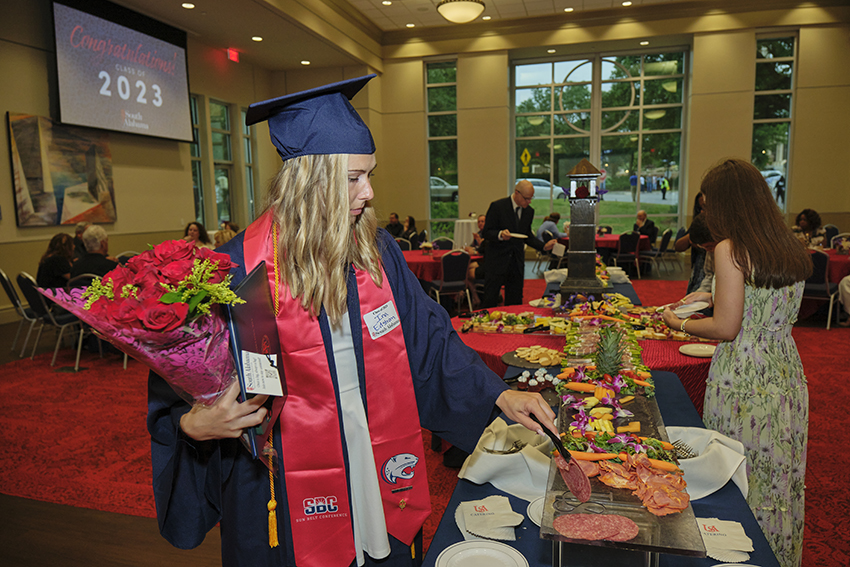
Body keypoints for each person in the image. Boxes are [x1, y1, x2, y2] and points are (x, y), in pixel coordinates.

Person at [147, 75, 557, 567]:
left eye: (370, 174)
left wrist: (496, 392)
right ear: (310, 181)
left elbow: (429, 341)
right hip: (283, 469)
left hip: (374, 444)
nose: (368, 191)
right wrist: (195, 424)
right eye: (353, 177)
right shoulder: (235, 274)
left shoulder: (375, 252)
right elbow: (180, 391)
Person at [661, 158, 811, 567]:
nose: (706, 214)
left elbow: (727, 327)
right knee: (779, 480)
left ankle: (738, 555)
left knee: (737, 477)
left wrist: (680, 323)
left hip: (743, 376)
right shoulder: (787, 244)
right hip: (786, 374)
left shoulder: (731, 248)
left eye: (709, 206)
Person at [480, 180, 555, 308]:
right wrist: (500, 235)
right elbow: (486, 232)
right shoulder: (498, 206)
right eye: (526, 198)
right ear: (517, 193)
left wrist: (543, 246)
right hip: (497, 261)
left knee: (515, 301)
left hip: (516, 262)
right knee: (490, 299)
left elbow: (527, 236)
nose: (529, 202)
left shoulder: (528, 211)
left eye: (531, 198)